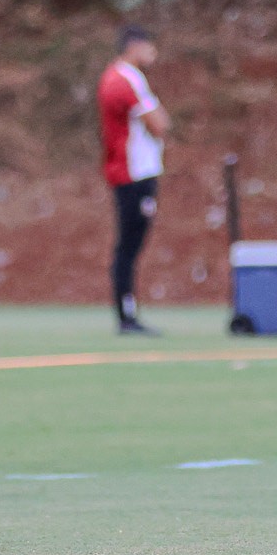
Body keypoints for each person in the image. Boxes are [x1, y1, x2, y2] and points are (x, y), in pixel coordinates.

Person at [98, 25, 170, 336]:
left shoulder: (125, 78)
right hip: (133, 172)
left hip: (132, 171)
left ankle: (127, 312)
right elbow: (159, 125)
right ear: (134, 46)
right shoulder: (125, 79)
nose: (153, 53)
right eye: (149, 46)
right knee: (128, 246)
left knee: (130, 246)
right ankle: (126, 315)